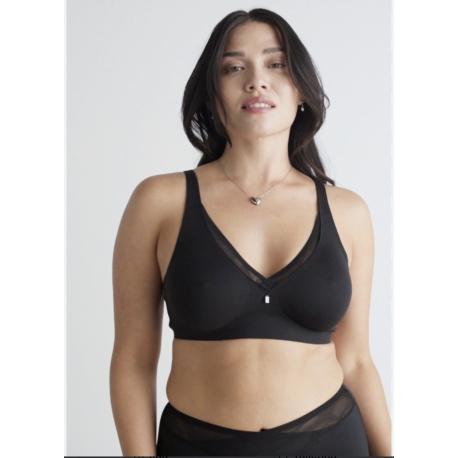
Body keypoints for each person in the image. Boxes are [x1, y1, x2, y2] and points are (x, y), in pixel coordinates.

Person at [110, 8, 392, 457]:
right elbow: (133, 361)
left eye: (276, 64)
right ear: (211, 95)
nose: (257, 81)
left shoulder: (347, 212)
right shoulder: (160, 202)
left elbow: (357, 360)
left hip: (333, 440)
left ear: (301, 90)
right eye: (234, 68)